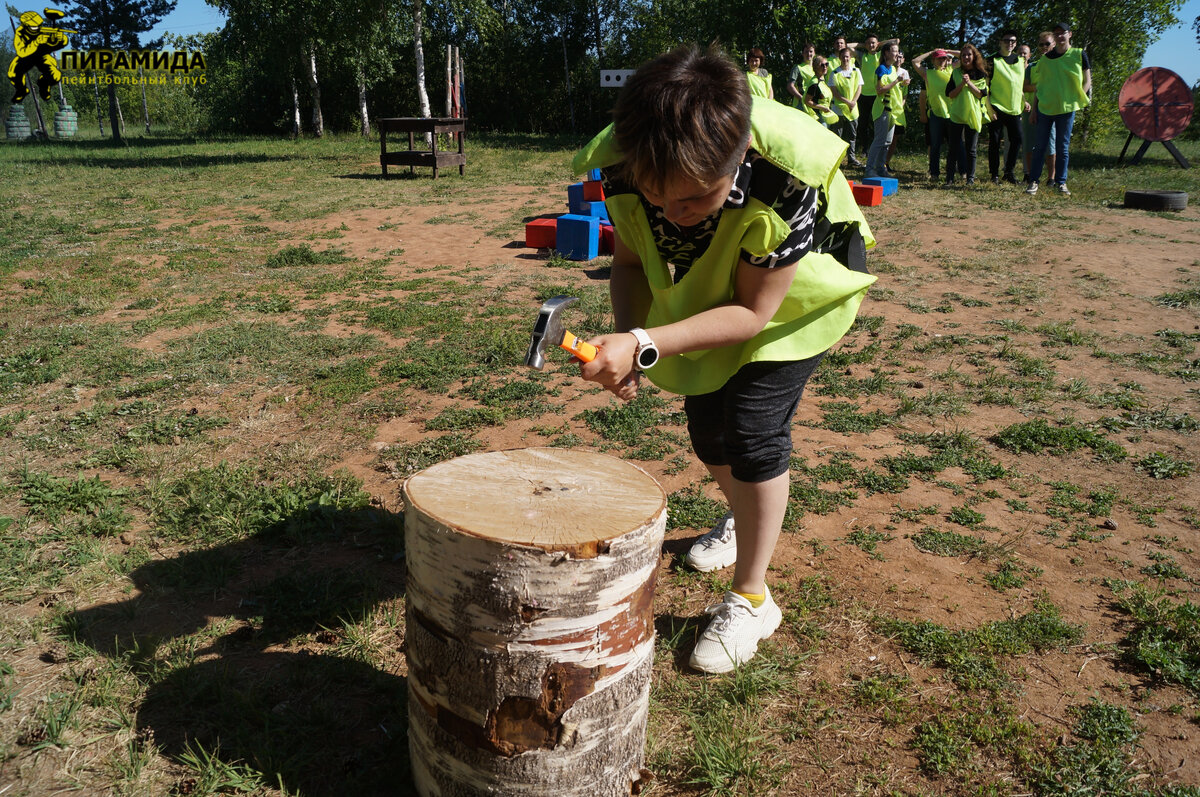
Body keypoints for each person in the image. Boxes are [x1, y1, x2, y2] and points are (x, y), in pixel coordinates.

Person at [571, 44, 876, 673]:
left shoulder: (785, 181)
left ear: (736, 160)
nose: (669, 214)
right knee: (708, 434)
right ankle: (742, 517)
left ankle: (753, 598)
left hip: (793, 298)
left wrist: (648, 344)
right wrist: (627, 340)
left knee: (753, 429)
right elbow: (630, 263)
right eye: (658, 199)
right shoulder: (630, 160)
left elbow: (753, 314)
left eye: (691, 200)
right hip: (713, 292)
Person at [1025, 22, 1088, 195]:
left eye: (1063, 33)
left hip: (1067, 108)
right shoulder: (1045, 59)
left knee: (1063, 147)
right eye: (1057, 33)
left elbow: (1087, 80)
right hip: (1045, 108)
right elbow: (1040, 87)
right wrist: (1035, 110)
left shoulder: (1079, 54)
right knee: (1040, 146)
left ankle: (1061, 183)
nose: (1060, 36)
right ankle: (1033, 182)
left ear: (1070, 34)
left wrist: (1079, 100)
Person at [945, 43, 989, 185]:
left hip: (973, 116)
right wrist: (961, 84)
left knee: (971, 149)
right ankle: (949, 178)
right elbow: (950, 94)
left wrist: (969, 83)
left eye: (969, 55)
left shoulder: (981, 74)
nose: (966, 57)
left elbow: (980, 95)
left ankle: (970, 178)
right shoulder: (956, 73)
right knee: (953, 149)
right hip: (957, 115)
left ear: (974, 56)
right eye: (963, 55)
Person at [912, 48, 957, 182]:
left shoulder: (951, 70)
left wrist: (948, 51)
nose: (942, 61)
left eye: (943, 58)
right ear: (933, 60)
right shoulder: (928, 73)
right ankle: (934, 173)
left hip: (952, 113)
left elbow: (967, 55)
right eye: (939, 58)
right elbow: (915, 61)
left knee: (954, 145)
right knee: (935, 145)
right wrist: (931, 52)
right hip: (936, 113)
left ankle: (953, 172)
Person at [865, 41, 908, 179]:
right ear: (886, 53)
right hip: (882, 109)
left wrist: (901, 83)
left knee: (888, 142)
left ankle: (881, 168)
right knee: (879, 140)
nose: (897, 54)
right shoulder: (881, 69)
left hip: (892, 111)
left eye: (897, 51)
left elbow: (894, 89)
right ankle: (869, 169)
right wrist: (896, 81)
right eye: (894, 51)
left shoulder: (892, 69)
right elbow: (879, 90)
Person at [987, 30, 1026, 184]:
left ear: (1015, 44)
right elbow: (986, 86)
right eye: (1006, 40)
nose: (1009, 43)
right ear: (1000, 42)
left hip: (1015, 108)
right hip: (996, 106)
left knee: (1017, 139)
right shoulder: (992, 60)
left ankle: (1008, 172)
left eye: (1013, 41)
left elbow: (1019, 84)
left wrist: (1024, 100)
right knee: (995, 142)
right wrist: (989, 108)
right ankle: (994, 174)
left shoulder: (1020, 60)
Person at [853, 33, 900, 156]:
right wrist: (863, 45)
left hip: (878, 94)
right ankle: (865, 149)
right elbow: (847, 47)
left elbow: (896, 40)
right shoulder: (862, 56)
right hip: (863, 94)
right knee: (863, 124)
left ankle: (877, 148)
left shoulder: (881, 55)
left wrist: (880, 44)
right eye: (868, 43)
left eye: (873, 43)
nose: (871, 45)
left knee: (877, 125)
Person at [1023, 35, 1056, 181]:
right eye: (1041, 44)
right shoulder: (1031, 67)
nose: (1044, 47)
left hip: (1051, 109)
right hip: (1031, 110)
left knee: (1050, 145)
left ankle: (1051, 178)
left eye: (1047, 44)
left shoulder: (1058, 65)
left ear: (1053, 44)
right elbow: (1025, 86)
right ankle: (1030, 175)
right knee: (1030, 144)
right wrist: (1039, 87)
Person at [828, 47, 864, 167]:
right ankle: (835, 159)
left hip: (853, 109)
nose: (845, 59)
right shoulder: (834, 73)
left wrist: (853, 102)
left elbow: (859, 87)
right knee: (837, 135)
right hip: (839, 109)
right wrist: (847, 102)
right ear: (839, 58)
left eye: (847, 56)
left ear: (850, 58)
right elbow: (834, 93)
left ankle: (851, 158)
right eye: (843, 56)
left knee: (852, 135)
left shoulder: (856, 71)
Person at [885, 51, 911, 172]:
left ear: (903, 59)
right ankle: (878, 162)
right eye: (897, 56)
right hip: (886, 107)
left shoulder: (905, 73)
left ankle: (886, 163)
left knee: (894, 138)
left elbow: (905, 94)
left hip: (898, 111)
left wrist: (900, 106)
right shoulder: (887, 69)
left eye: (901, 57)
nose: (898, 59)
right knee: (884, 137)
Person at [805, 57, 838, 128]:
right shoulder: (814, 83)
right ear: (816, 67)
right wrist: (822, 108)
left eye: (826, 64)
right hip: (817, 116)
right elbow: (807, 101)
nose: (825, 67)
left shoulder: (823, 80)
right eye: (822, 65)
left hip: (824, 114)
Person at [787, 43, 817, 107]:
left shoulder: (817, 68)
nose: (809, 54)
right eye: (806, 52)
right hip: (801, 104)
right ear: (802, 53)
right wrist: (802, 98)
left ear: (814, 53)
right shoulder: (797, 68)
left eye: (811, 51)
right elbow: (790, 86)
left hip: (815, 103)